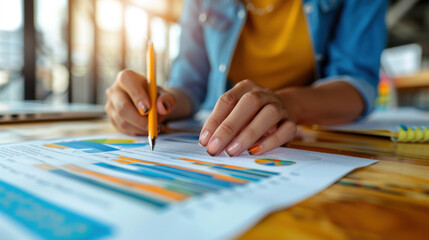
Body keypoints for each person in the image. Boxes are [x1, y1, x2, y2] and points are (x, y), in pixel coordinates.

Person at [105, 0, 387, 157]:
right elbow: (189, 83)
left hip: (314, 138)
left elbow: (357, 83)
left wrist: (287, 104)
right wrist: (156, 104)